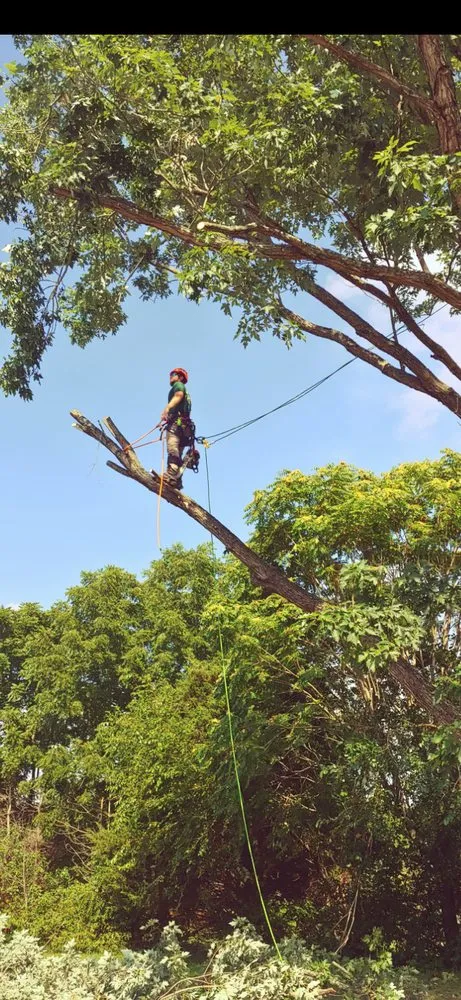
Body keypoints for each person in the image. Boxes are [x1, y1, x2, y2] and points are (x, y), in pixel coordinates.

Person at [160, 367, 193, 489]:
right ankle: (176, 479)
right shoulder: (186, 393)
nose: (170, 376)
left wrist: (167, 408)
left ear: (181, 377)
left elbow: (178, 395)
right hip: (185, 428)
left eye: (173, 374)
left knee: (172, 448)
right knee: (178, 453)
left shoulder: (178, 385)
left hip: (177, 425)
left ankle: (171, 475)